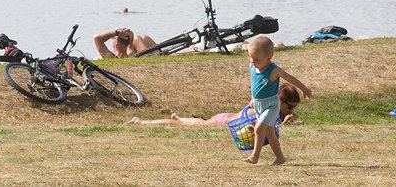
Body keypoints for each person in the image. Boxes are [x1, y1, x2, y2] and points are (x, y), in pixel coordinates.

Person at [244, 36, 311, 165]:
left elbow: (290, 78)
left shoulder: (274, 70)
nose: (252, 61)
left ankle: (254, 156)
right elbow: (255, 85)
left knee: (259, 129)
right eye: (250, 57)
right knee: (270, 133)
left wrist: (304, 88)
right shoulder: (253, 66)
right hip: (259, 104)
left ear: (268, 59)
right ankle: (280, 157)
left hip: (271, 105)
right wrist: (253, 99)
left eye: (256, 59)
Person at [126, 83, 302, 126]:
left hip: (225, 116)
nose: (292, 110)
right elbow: (268, 131)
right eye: (290, 106)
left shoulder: (276, 112)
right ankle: (142, 122)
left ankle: (179, 117)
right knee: (178, 126)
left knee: (200, 122)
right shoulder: (265, 108)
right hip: (223, 121)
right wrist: (286, 123)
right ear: (279, 101)